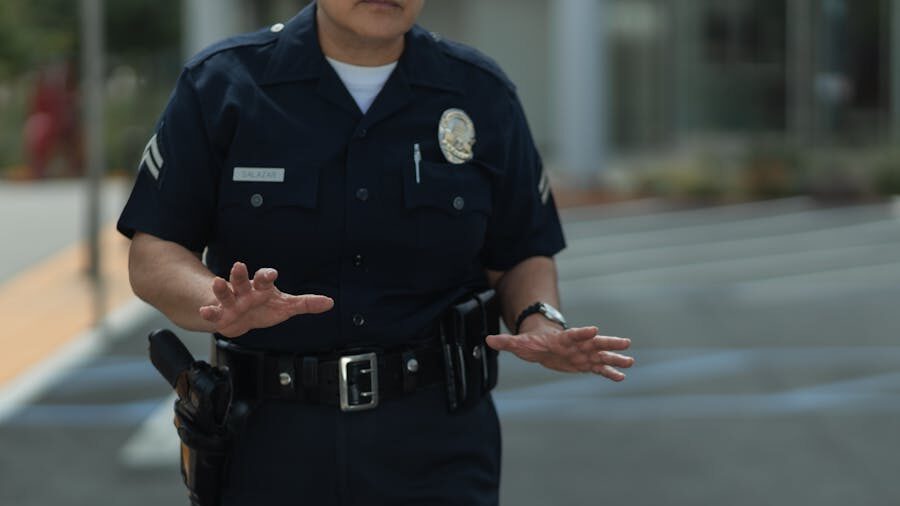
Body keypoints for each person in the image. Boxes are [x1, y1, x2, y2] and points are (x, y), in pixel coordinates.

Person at [118, 1, 634, 504]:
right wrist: (218, 305)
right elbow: (154, 250)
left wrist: (538, 319)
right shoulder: (223, 85)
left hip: (436, 445)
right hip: (268, 444)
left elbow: (523, 250)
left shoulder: (481, 93)